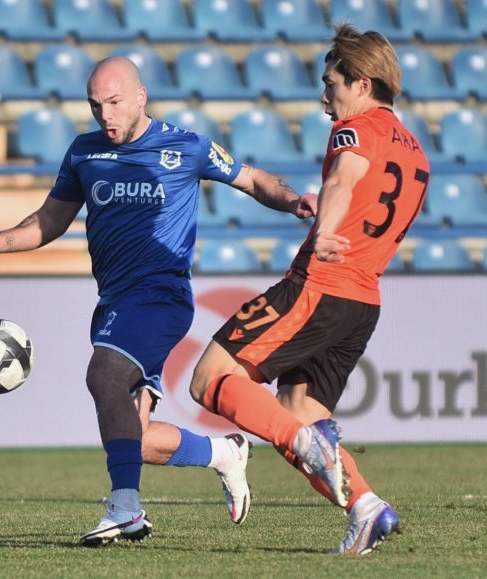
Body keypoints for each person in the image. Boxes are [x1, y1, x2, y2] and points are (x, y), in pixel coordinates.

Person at [0, 57, 316, 546]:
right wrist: (1, 241)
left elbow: (253, 179)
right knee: (135, 436)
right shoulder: (84, 152)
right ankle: (224, 452)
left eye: (113, 102)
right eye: (94, 105)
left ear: (140, 97)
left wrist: (294, 200)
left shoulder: (185, 146)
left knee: (102, 374)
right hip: (114, 302)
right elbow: (51, 218)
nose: (104, 114)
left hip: (161, 296)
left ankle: (126, 508)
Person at [188, 24, 430, 554]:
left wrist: (324, 232)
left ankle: (303, 443)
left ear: (362, 83)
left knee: (208, 381)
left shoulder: (357, 129)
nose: (325, 97)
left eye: (331, 84)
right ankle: (366, 508)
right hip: (363, 302)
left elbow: (343, 179)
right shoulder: (417, 152)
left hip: (320, 287)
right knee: (298, 407)